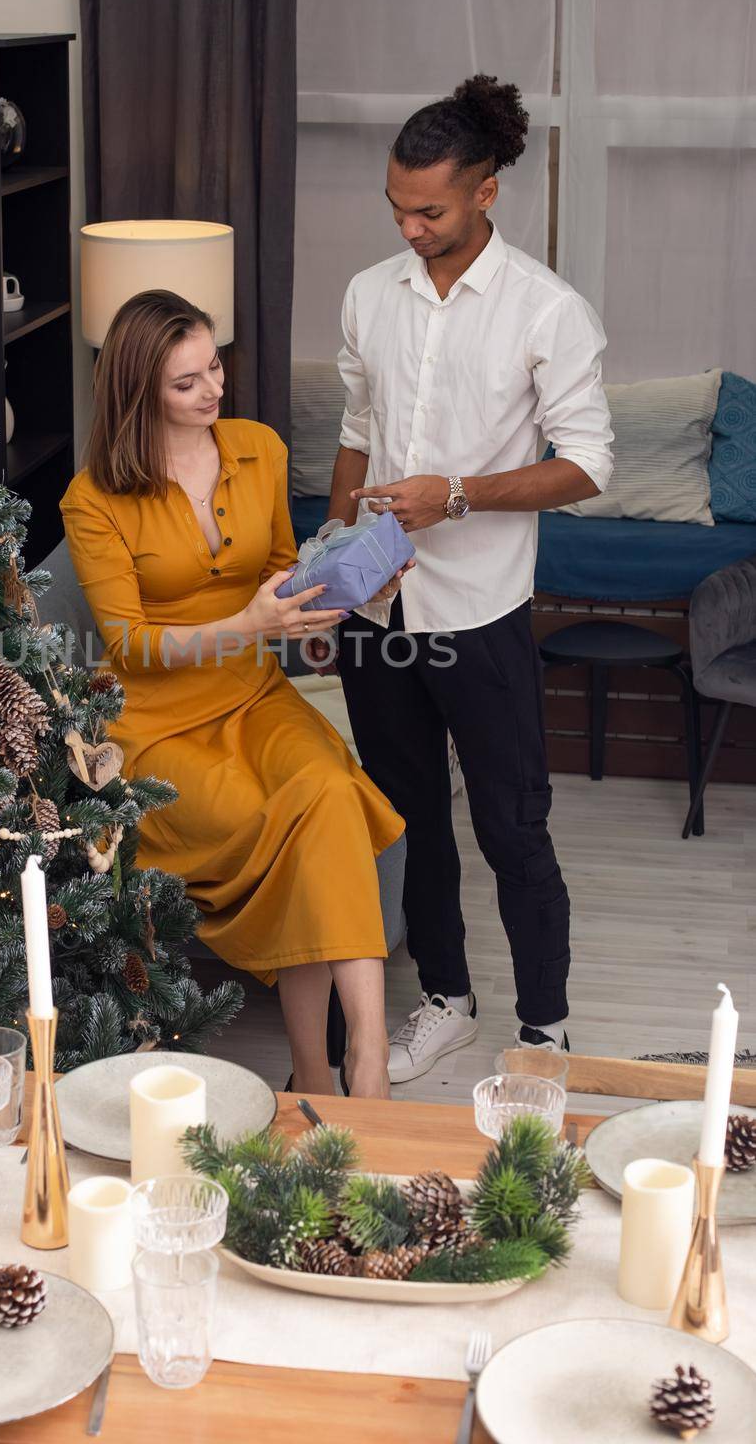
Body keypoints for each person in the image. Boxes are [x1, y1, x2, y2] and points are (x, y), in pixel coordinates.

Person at [315, 74, 613, 1084]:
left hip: (478, 614)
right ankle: (444, 994)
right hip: (377, 608)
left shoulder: (546, 312)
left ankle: (541, 1032)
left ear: (485, 191)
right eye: (396, 207)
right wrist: (331, 547)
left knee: (508, 824)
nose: (408, 226)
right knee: (408, 813)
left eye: (429, 209)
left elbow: (585, 464)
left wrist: (457, 496)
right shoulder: (368, 295)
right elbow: (356, 432)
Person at [61, 290, 407, 1098]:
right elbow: (130, 646)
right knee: (291, 821)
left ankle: (365, 1056)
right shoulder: (92, 499)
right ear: (139, 390)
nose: (212, 390)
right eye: (186, 383)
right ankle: (319, 1075)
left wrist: (354, 573)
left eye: (213, 366)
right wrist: (249, 620)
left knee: (322, 788)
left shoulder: (257, 447)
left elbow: (279, 568)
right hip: (151, 726)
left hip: (252, 696)